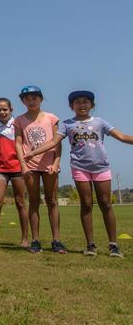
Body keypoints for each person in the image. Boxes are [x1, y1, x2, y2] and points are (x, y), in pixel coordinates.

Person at [25, 90, 133, 258]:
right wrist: (33, 153)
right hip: (80, 168)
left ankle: (113, 245)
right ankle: (90, 244)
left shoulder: (100, 122)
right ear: (71, 106)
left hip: (101, 167)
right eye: (77, 102)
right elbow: (53, 142)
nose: (82, 105)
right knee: (86, 204)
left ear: (92, 105)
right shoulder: (67, 124)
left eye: (85, 102)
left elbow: (121, 136)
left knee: (106, 204)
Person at [14, 85, 66, 254]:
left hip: (49, 164)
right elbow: (18, 142)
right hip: (30, 166)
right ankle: (35, 240)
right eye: (27, 98)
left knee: (52, 201)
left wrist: (56, 163)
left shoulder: (51, 118)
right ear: (23, 101)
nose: (31, 100)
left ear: (41, 99)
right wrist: (23, 164)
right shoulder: (19, 120)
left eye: (34, 97)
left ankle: (56, 240)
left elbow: (57, 142)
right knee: (34, 201)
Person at [0, 98, 29, 248]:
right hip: (0, 169)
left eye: (5, 109)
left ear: (11, 110)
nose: (2, 112)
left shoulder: (18, 124)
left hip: (17, 169)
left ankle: (25, 239)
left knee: (20, 203)